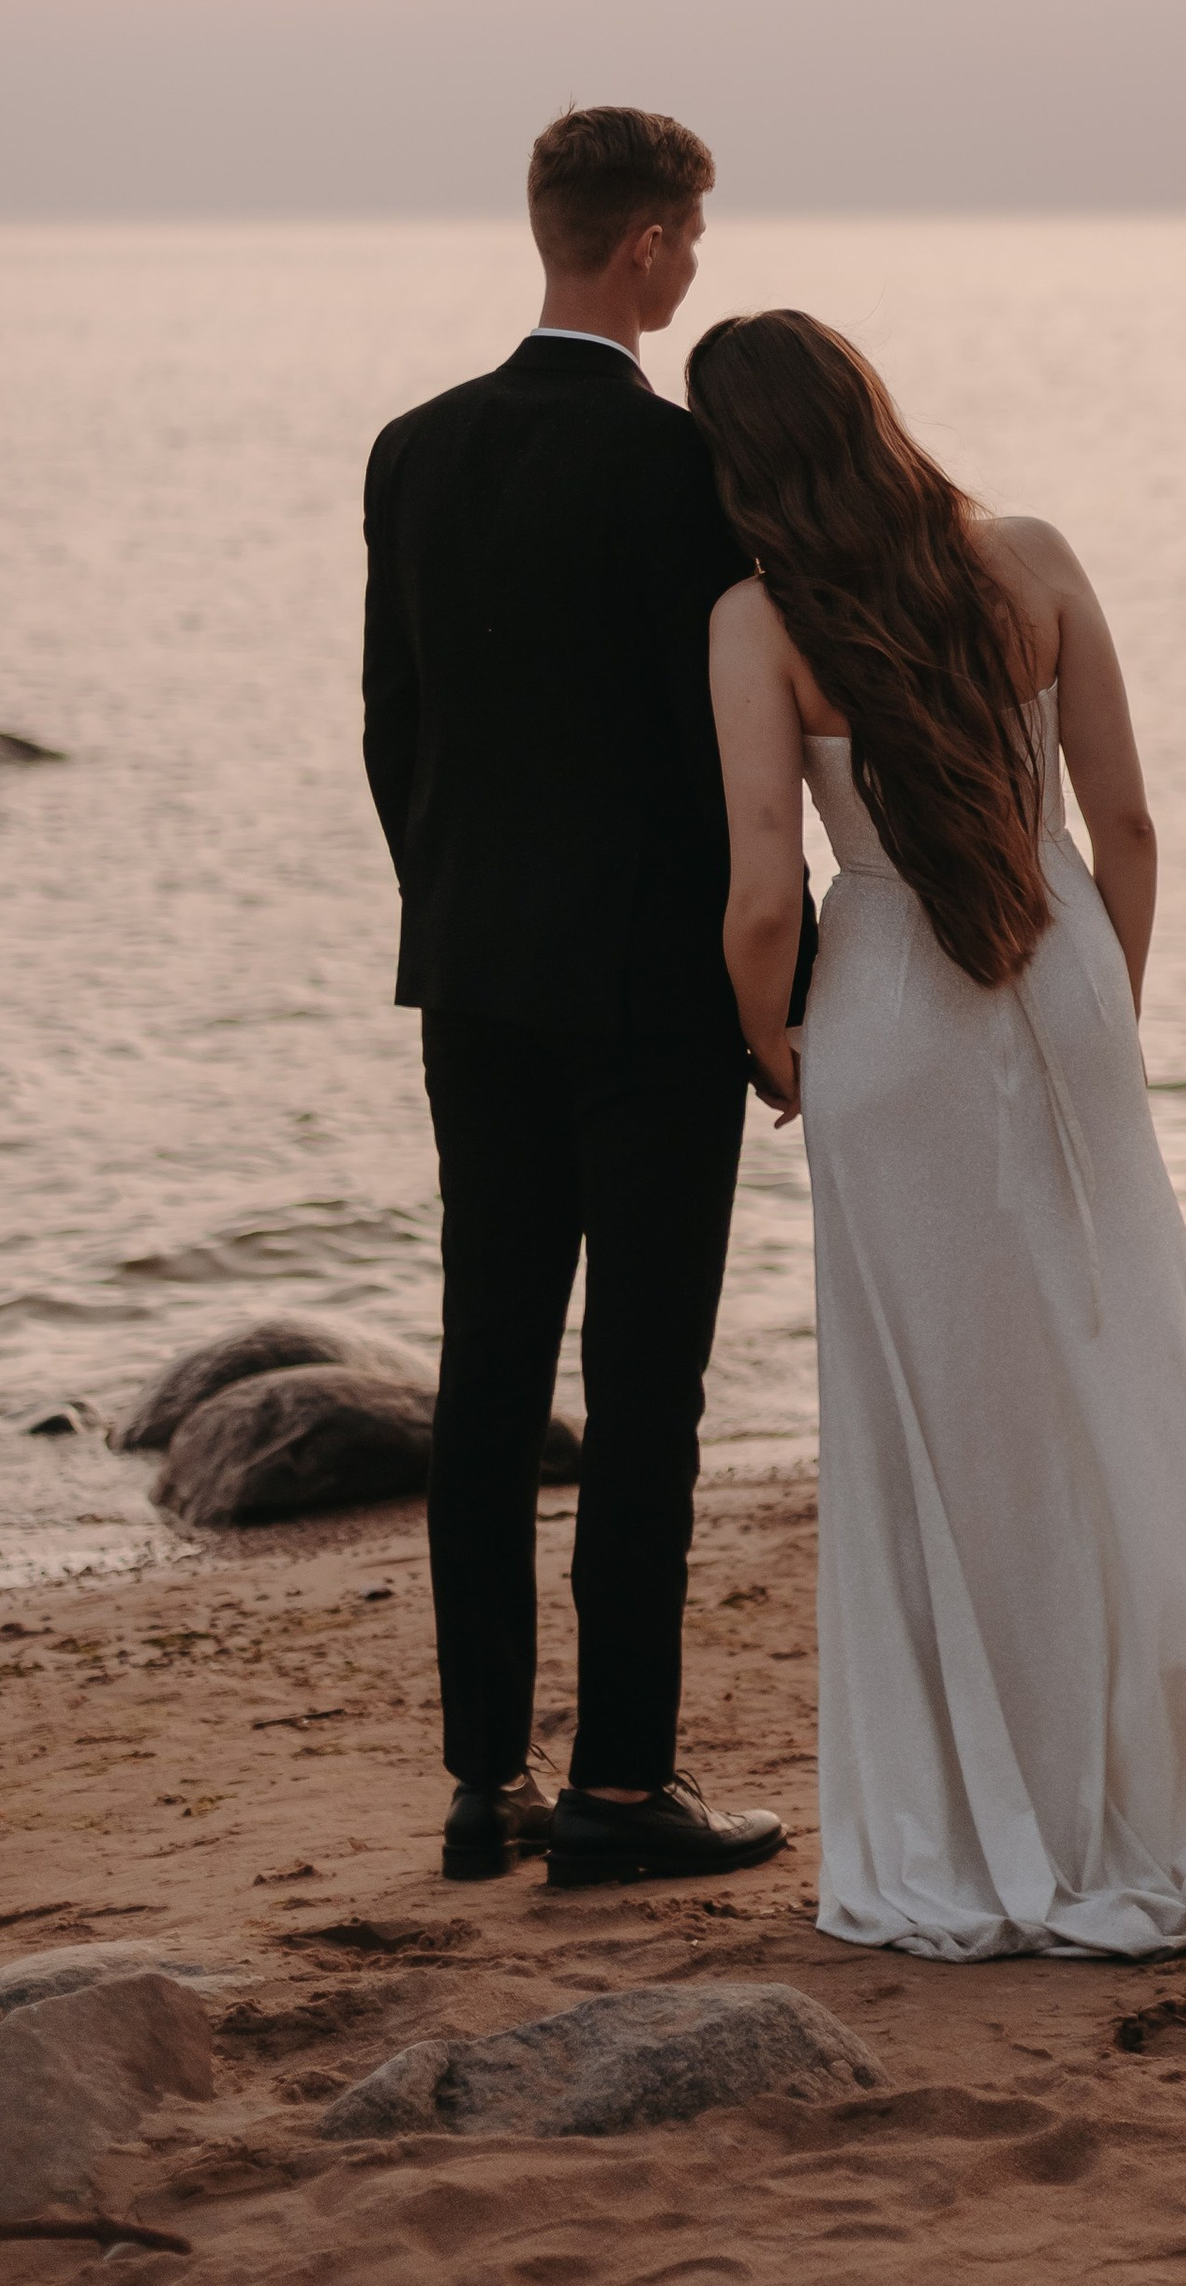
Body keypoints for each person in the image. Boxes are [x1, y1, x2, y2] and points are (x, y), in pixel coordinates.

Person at [690, 308, 1186, 1961]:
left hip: (886, 1012)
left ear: (742, 462)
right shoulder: (1034, 556)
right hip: (1059, 972)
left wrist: (776, 1045)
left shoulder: (758, 618)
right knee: (1124, 1371)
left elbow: (752, 897)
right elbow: (1128, 821)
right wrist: (1103, 1018)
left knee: (946, 1417)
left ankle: (994, 1800)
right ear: (874, 408)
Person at [362, 105, 801, 1890]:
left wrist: (455, 912)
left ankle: (482, 1787)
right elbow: (733, 755)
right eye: (690, 239)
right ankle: (618, 1789)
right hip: (651, 997)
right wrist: (766, 988)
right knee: (644, 1392)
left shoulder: (414, 451)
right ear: (644, 247)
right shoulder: (686, 468)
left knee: (484, 1377)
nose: (694, 267)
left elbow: (395, 733)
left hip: (473, 979)